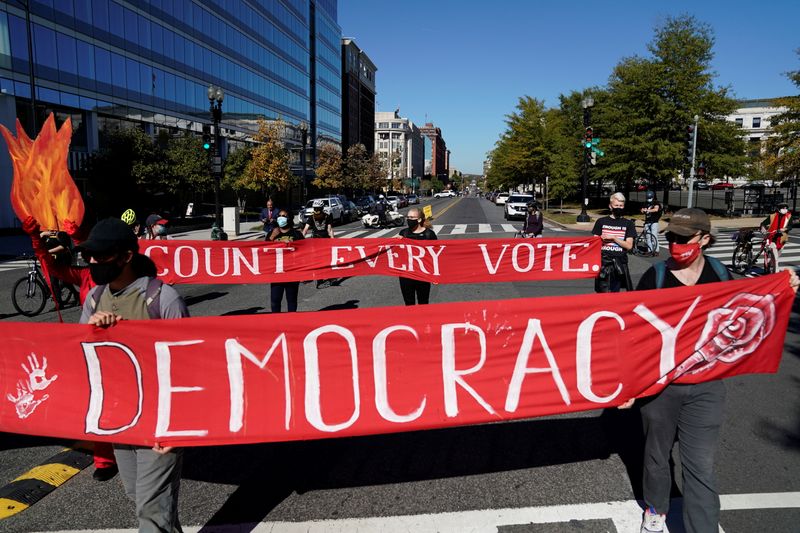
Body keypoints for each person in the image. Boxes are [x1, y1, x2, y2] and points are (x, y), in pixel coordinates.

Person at [622, 208, 799, 533]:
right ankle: (656, 510)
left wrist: (784, 285)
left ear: (704, 239)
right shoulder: (655, 277)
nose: (675, 244)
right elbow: (635, 332)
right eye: (672, 237)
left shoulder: (719, 274)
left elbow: (749, 306)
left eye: (684, 238)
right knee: (657, 457)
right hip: (661, 388)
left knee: (699, 467)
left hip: (707, 387)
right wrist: (630, 385)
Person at [77, 218, 189, 532]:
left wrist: (178, 426)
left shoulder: (162, 299)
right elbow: (82, 358)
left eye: (101, 256)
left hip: (158, 420)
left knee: (152, 511)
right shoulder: (95, 299)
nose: (93, 263)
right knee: (141, 499)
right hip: (121, 418)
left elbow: (187, 364)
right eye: (90, 257)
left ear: (126, 256)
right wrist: (92, 331)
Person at [592, 192, 635, 292]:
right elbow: (594, 243)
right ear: (610, 206)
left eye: (621, 206)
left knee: (615, 292)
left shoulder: (628, 224)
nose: (618, 208)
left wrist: (614, 238)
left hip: (619, 263)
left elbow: (629, 246)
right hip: (603, 263)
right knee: (602, 291)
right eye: (616, 205)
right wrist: (600, 239)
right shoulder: (601, 222)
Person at [397, 207, 437, 305]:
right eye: (408, 217)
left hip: (423, 274)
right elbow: (397, 254)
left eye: (411, 217)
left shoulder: (429, 234)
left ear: (419, 220)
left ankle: (424, 321)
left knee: (423, 303)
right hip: (406, 275)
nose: (409, 220)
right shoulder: (404, 233)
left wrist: (434, 275)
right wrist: (397, 242)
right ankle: (412, 320)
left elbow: (435, 255)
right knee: (409, 303)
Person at [267, 209, 304, 312]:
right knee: (275, 301)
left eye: (284, 216)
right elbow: (263, 251)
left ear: (289, 218)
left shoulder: (296, 234)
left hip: (292, 272)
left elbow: (304, 252)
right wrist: (273, 237)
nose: (281, 218)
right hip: (277, 273)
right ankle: (276, 324)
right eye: (279, 215)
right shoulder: (272, 233)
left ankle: (291, 324)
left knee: (291, 300)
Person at [302, 200, 335, 288]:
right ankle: (319, 277)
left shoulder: (327, 216)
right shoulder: (311, 217)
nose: (317, 210)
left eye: (318, 208)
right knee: (316, 259)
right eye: (315, 208)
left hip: (325, 241)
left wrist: (333, 240)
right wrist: (300, 240)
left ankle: (330, 276)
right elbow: (305, 229)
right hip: (315, 241)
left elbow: (329, 230)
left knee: (327, 259)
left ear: (322, 208)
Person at [759, 202, 793, 269]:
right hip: (771, 237)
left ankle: (769, 264)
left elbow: (790, 226)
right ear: (779, 209)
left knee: (778, 255)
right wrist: (763, 228)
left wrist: (784, 229)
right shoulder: (772, 216)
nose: (785, 209)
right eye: (783, 208)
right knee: (776, 257)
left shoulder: (789, 216)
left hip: (781, 239)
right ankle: (776, 272)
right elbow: (763, 223)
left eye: (786, 208)